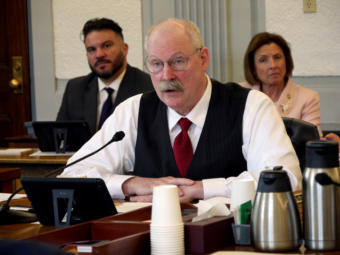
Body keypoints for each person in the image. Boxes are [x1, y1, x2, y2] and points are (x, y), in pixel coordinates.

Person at [60, 18, 301, 203]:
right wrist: (131, 184)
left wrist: (201, 189)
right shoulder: (134, 110)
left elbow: (285, 177)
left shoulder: (251, 105)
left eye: (178, 62)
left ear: (203, 58)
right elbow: (72, 174)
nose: (166, 76)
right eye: (156, 64)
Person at [57, 18, 153, 135]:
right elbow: (60, 137)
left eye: (106, 46)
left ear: (124, 49)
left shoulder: (148, 87)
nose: (99, 54)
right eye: (92, 49)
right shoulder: (75, 89)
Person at [239, 32, 322, 136]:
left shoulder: (308, 98)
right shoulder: (239, 93)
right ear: (253, 68)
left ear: (286, 61)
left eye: (277, 57)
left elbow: (311, 142)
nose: (273, 65)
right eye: (263, 60)